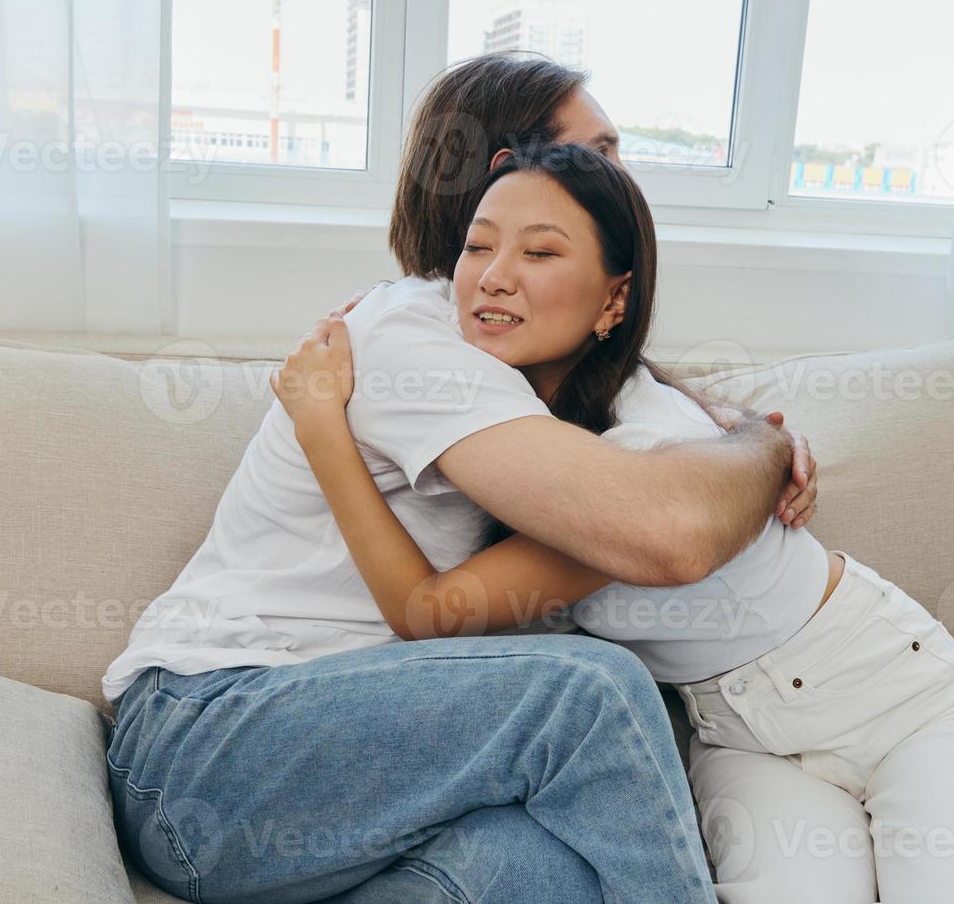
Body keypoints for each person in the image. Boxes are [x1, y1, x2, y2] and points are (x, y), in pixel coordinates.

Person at [102, 53, 819, 904]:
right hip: (207, 748)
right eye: (598, 156)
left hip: (332, 766)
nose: (625, 184)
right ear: (509, 177)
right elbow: (670, 535)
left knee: (550, 869)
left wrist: (741, 429)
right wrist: (760, 453)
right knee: (590, 693)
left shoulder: (510, 348)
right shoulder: (417, 338)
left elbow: (644, 408)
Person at [273, 141, 954, 904]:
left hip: (902, 700)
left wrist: (321, 427)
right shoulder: (511, 432)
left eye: (541, 253)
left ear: (614, 300)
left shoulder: (639, 461)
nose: (495, 275)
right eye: (478, 246)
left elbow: (432, 612)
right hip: (744, 742)